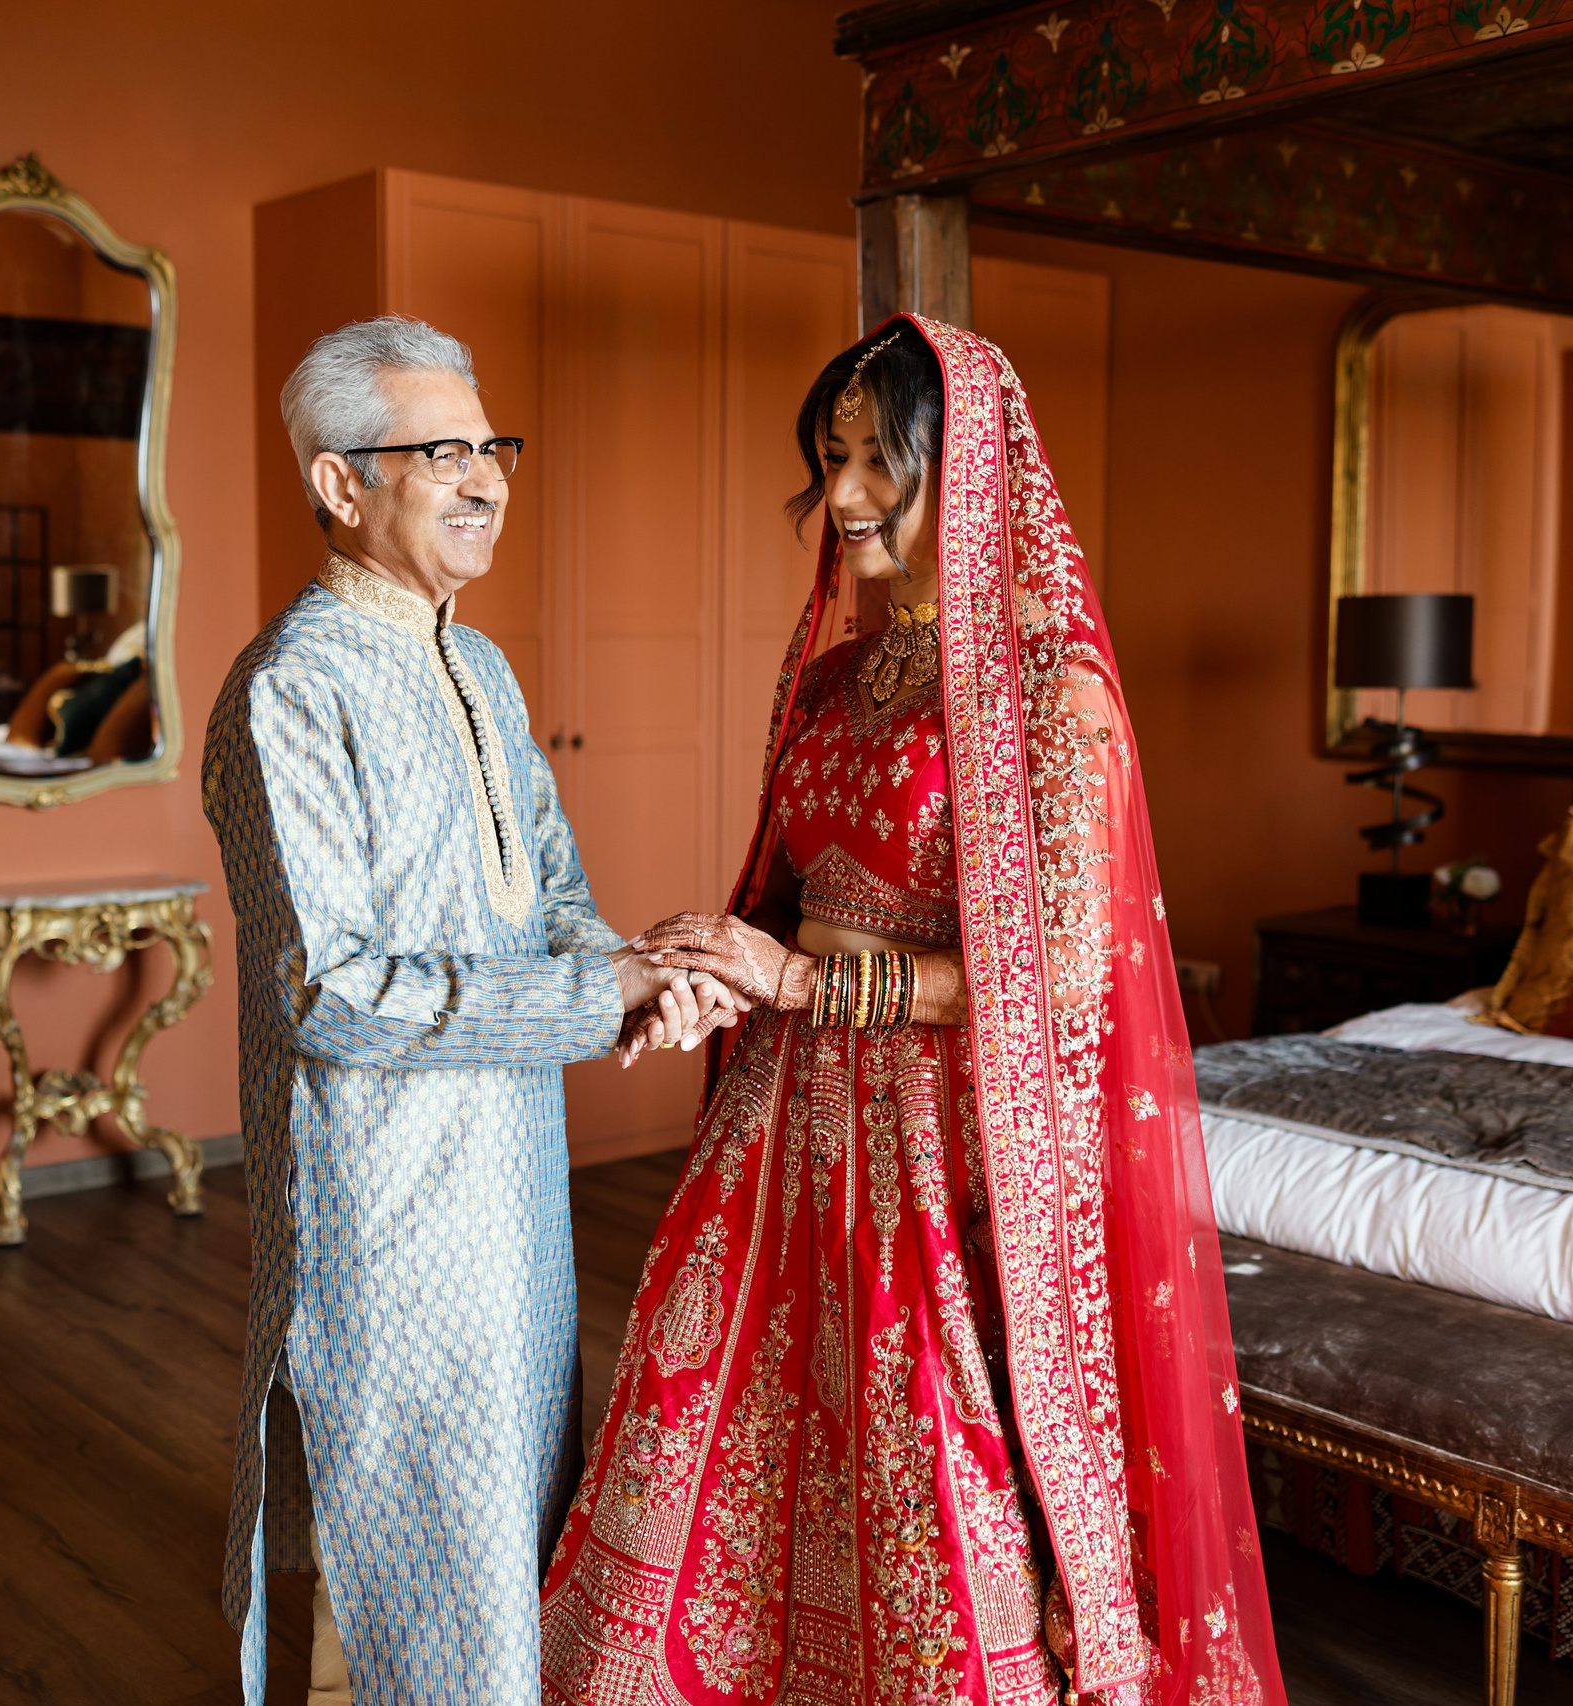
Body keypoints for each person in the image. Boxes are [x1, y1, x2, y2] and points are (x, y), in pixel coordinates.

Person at [537, 317, 1286, 1705]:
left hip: (936, 1159)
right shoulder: (830, 679)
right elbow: (790, 896)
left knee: (916, 1451)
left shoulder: (1051, 702)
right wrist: (713, 973)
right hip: (775, 1141)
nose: (844, 499)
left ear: (975, 472)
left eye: (880, 462)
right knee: (716, 1433)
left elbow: (1053, 975)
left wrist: (802, 982)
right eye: (831, 462)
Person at [203, 316, 732, 1706]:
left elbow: (553, 883)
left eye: (489, 445)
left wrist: (628, 974)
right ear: (339, 486)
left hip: (515, 1174)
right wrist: (590, 991)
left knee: (517, 1496)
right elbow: (332, 992)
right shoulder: (288, 692)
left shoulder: (479, 665)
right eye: (440, 451)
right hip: (383, 1194)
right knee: (404, 1518)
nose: (484, 477)